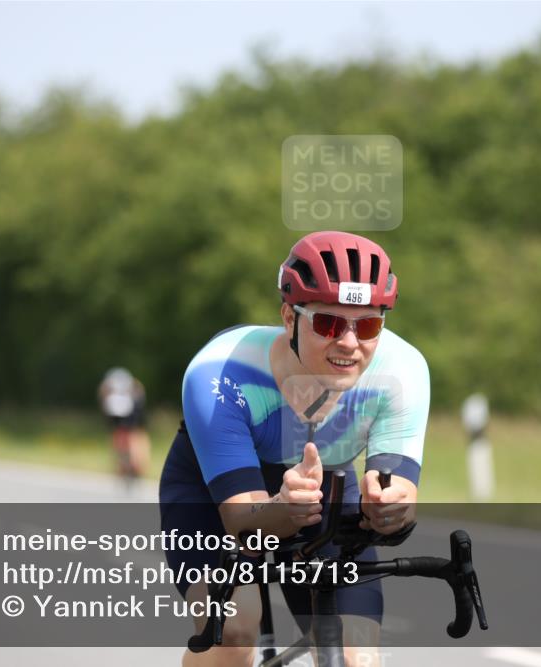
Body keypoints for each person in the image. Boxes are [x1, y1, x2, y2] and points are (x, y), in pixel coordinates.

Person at [159, 231, 430, 667]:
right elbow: (242, 524)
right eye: (327, 323)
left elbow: (400, 497)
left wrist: (391, 510)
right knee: (235, 628)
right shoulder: (219, 371)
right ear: (290, 318)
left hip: (324, 488)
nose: (348, 342)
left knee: (356, 654)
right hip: (215, 494)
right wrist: (282, 506)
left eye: (368, 325)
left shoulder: (403, 371)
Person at [98, 368, 150, 479]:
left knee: (131, 440)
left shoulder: (131, 397)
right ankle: (126, 466)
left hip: (130, 424)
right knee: (123, 440)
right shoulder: (117, 397)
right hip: (124, 424)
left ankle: (132, 466)